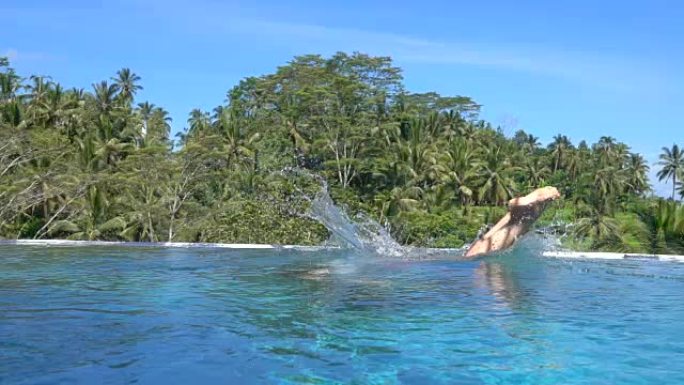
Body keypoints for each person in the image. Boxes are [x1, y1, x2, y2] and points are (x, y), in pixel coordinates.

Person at [464, 186, 561, 258]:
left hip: (498, 245)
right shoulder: (529, 203)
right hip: (491, 242)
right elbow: (512, 202)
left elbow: (555, 192)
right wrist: (532, 199)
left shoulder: (540, 206)